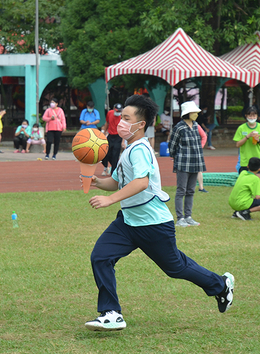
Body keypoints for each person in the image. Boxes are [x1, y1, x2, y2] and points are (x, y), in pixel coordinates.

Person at [84, 94, 234, 331]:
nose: (120, 122)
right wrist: (96, 182)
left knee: (176, 268)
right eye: (120, 117)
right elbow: (116, 182)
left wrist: (110, 200)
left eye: (126, 118)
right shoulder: (129, 149)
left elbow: (142, 183)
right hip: (128, 222)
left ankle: (221, 285)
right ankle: (111, 313)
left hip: (153, 224)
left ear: (141, 124)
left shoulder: (140, 150)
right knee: (101, 257)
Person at [168, 101, 206, 227]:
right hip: (183, 163)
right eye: (194, 112)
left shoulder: (195, 125)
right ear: (187, 113)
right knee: (181, 190)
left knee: (190, 190)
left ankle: (188, 216)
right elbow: (172, 146)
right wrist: (177, 157)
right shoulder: (179, 127)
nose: (196, 114)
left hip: (195, 162)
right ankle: (180, 218)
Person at [100, 103, 123, 176]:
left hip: (118, 136)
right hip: (110, 136)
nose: (118, 112)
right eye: (117, 111)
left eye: (119, 111)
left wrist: (123, 141)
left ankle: (113, 172)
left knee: (115, 155)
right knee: (105, 153)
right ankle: (107, 166)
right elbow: (107, 122)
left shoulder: (122, 117)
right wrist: (104, 132)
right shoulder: (110, 113)